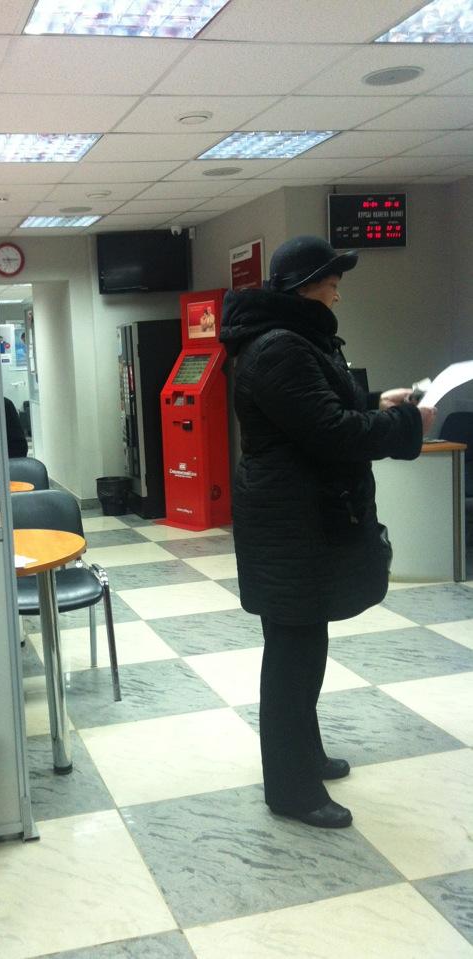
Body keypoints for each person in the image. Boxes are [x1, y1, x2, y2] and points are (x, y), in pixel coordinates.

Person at [219, 235, 437, 829]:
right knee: (293, 655)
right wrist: (403, 424)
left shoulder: (292, 340)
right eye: (331, 282)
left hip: (298, 518)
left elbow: (320, 409)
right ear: (302, 286)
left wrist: (378, 401)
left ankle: (305, 756)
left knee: (303, 645)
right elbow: (332, 432)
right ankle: (291, 790)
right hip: (291, 524)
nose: (337, 294)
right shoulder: (279, 347)